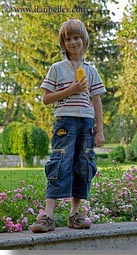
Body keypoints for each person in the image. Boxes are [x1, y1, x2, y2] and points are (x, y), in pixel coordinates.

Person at [31, 19, 106, 233]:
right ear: (63, 44)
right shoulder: (57, 69)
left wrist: (99, 130)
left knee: (84, 165)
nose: (73, 42)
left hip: (86, 122)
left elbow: (97, 101)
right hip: (65, 121)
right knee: (59, 162)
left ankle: (74, 214)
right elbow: (47, 99)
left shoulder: (91, 71)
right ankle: (48, 216)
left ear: (84, 41)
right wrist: (71, 90)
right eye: (68, 39)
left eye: (76, 38)